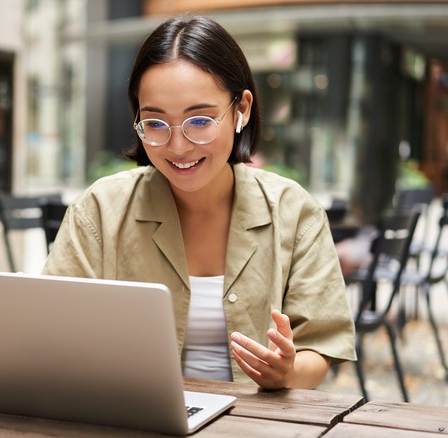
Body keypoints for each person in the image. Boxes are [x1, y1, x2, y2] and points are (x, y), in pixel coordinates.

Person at [42, 15, 356, 390]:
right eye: (156, 124)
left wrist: (286, 372)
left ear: (241, 110)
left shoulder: (295, 212)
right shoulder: (98, 212)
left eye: (200, 121)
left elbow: (318, 348)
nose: (178, 146)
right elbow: (51, 336)